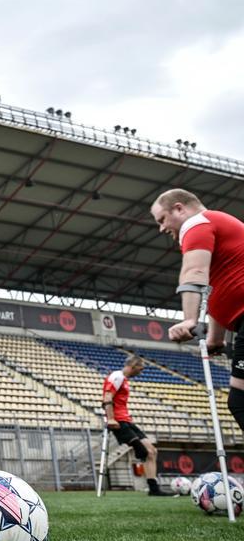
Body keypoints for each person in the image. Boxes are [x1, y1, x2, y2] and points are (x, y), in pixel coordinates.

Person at [152, 189, 244, 435]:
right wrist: (215, 339)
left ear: (180, 209)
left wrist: (190, 319)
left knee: (240, 401)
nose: (161, 228)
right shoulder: (214, 226)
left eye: (162, 219)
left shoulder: (196, 224)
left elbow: (194, 273)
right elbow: (217, 290)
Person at [102, 355, 167, 496]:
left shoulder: (124, 380)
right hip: (119, 421)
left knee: (152, 451)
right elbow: (107, 397)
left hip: (127, 420)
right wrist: (111, 419)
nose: (141, 371)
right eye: (140, 368)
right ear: (133, 365)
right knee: (144, 452)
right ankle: (152, 484)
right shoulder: (117, 376)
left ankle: (153, 489)